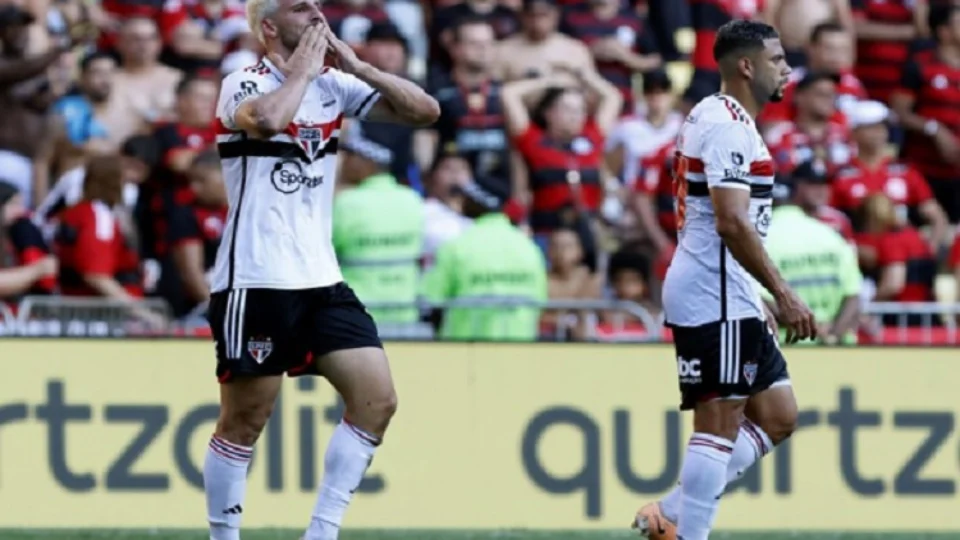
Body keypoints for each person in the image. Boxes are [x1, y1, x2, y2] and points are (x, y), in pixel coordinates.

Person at [204, 1, 439, 540]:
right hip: (256, 278)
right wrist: (304, 73)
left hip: (321, 278)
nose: (315, 10)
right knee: (245, 420)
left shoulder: (336, 84)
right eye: (299, 5)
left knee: (377, 400)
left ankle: (322, 533)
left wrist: (361, 68)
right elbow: (267, 121)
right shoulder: (243, 82)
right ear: (269, 26)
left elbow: (425, 112)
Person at [632, 20, 816, 540]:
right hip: (711, 291)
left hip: (730, 288)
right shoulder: (727, 126)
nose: (786, 70)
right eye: (777, 60)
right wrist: (782, 292)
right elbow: (731, 221)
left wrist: (756, 294)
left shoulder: (718, 115)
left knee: (777, 415)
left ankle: (670, 510)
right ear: (747, 66)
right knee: (719, 423)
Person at [420, 176, 547, 341]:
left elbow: (431, 299)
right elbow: (540, 300)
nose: (462, 202)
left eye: (466, 197)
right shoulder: (529, 248)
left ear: (477, 201)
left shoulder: (456, 247)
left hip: (465, 350)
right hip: (521, 347)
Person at [333, 124, 425, 325]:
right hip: (405, 314)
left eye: (351, 155)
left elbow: (325, 254)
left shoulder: (346, 203)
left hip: (357, 317)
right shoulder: (413, 199)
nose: (344, 161)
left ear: (368, 161)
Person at [764, 176, 862, 345]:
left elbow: (761, 299)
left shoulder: (760, 241)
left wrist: (809, 329)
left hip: (788, 344)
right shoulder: (831, 235)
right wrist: (833, 335)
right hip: (835, 345)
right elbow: (853, 294)